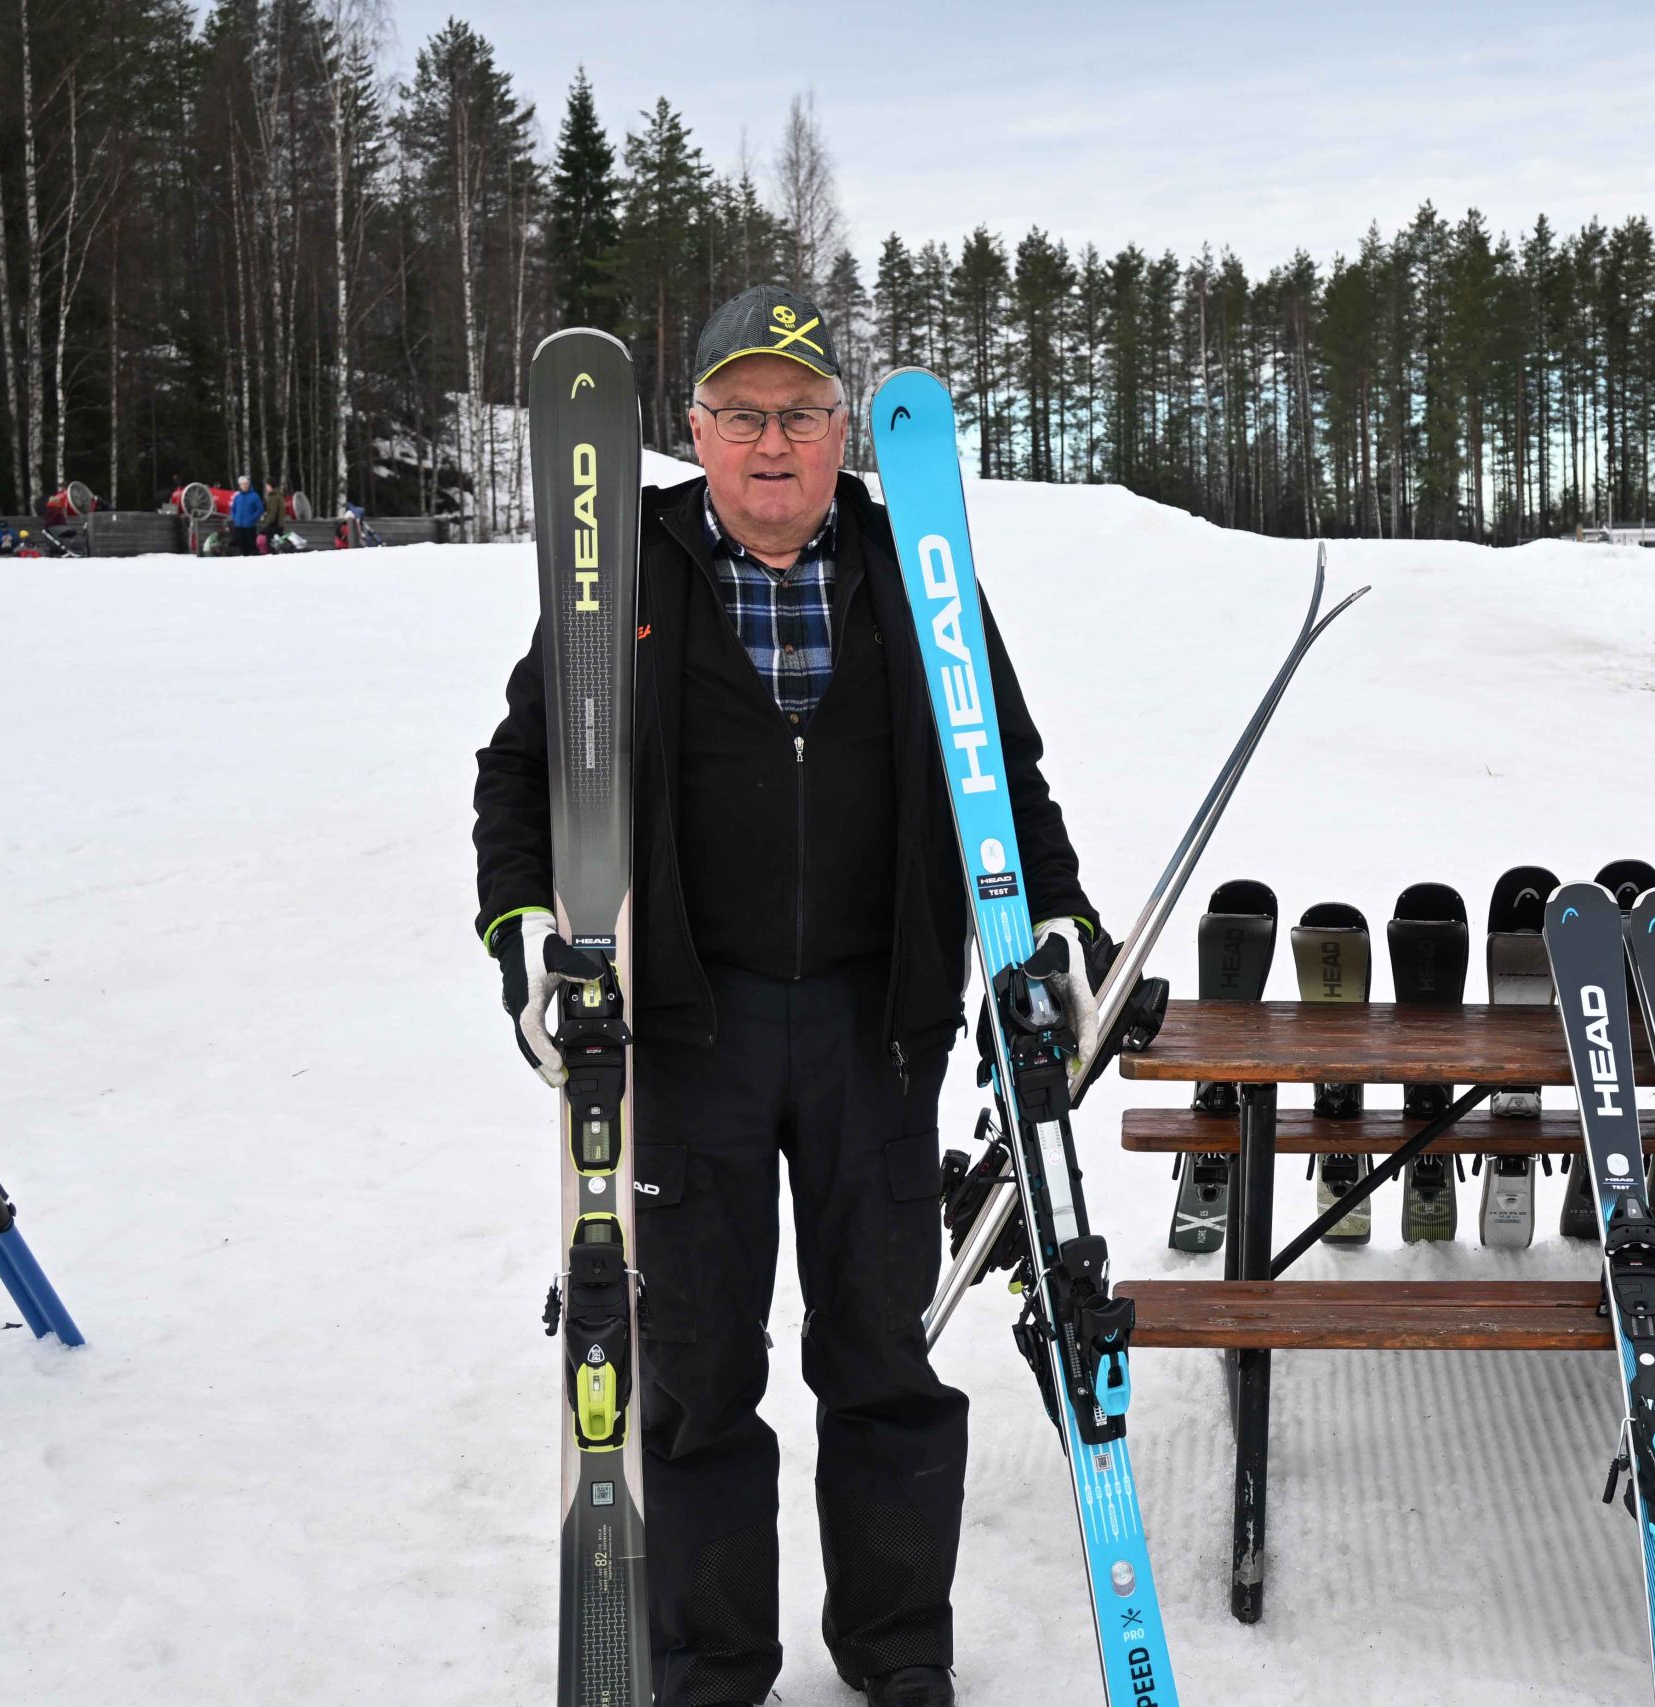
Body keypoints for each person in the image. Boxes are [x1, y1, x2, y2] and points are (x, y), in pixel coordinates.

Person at [473, 284, 1105, 1707]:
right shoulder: (621, 578)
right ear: (694, 430)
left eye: (804, 415)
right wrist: (523, 930)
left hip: (877, 1027)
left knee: (880, 1350)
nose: (774, 443)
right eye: (744, 414)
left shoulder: (913, 569)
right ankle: (711, 1660)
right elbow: (521, 774)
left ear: (841, 435)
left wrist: (1056, 919)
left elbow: (1001, 774)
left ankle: (898, 1647)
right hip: (686, 1027)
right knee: (697, 1361)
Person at [227, 476, 264, 556]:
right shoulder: (237, 497)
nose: (245, 486)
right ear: (240, 485)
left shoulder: (254, 496)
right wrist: (235, 518)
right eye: (243, 484)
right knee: (242, 549)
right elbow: (233, 509)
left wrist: (253, 518)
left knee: (252, 548)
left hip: (250, 526)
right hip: (239, 526)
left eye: (246, 484)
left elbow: (260, 509)